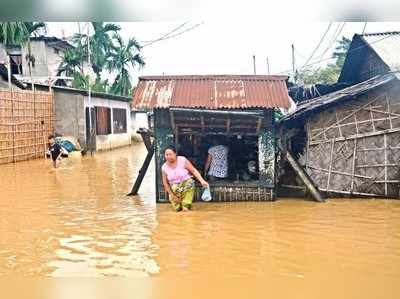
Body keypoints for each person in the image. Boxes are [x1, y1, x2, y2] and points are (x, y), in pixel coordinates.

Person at [161, 147, 209, 212]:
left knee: (190, 182)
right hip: (175, 190)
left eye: (170, 154)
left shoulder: (182, 160)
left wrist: (202, 181)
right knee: (177, 209)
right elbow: (165, 183)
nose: (168, 156)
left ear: (175, 154)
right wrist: (173, 196)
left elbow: (193, 170)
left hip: (186, 185)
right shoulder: (164, 167)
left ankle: (186, 206)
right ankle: (182, 205)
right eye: (166, 155)